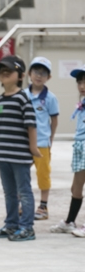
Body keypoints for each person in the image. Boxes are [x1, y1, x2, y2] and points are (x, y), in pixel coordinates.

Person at [0, 55, 41, 241]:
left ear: (20, 75)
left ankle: (27, 228)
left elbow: (31, 125)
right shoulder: (1, 99)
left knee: (23, 191)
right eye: (2, 71)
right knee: (9, 192)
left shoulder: (23, 98)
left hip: (19, 155)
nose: (4, 73)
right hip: (4, 155)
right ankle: (11, 225)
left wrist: (33, 148)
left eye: (9, 70)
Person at [50, 65, 85, 237]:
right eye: (79, 82)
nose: (81, 86)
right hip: (79, 146)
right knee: (76, 187)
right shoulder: (83, 102)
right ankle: (70, 222)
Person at [25, 57, 59, 221]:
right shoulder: (22, 95)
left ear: (49, 77)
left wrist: (50, 140)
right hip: (23, 143)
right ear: (29, 74)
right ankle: (22, 204)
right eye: (36, 72)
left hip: (42, 143)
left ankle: (43, 206)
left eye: (43, 73)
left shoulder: (50, 98)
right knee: (22, 173)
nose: (39, 76)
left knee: (43, 174)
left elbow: (54, 120)